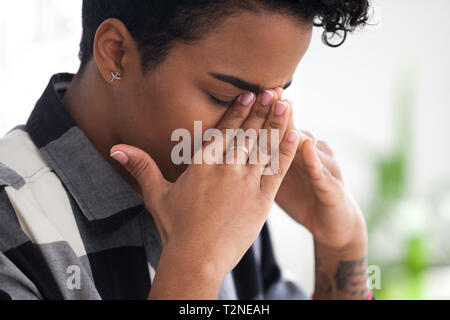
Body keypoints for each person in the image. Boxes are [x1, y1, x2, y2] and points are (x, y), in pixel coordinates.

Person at [0, 0, 372, 300]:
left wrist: (342, 246)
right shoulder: (11, 226)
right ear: (116, 55)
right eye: (224, 97)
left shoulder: (229, 190)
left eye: (275, 97)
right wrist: (196, 268)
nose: (253, 130)